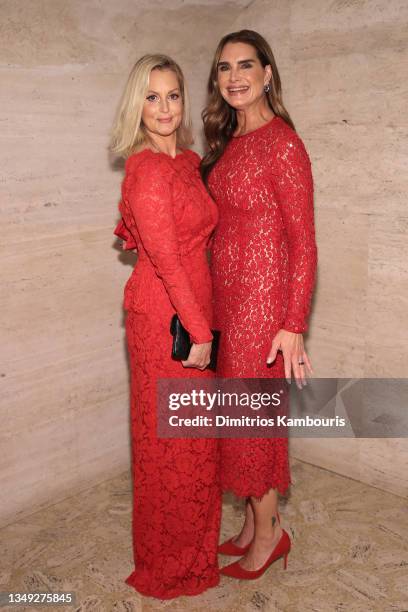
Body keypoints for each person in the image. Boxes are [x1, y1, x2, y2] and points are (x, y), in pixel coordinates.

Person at [201, 30, 318, 580]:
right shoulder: (229, 141)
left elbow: (304, 241)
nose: (234, 76)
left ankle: (270, 537)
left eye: (246, 65)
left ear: (268, 73)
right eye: (224, 68)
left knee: (251, 426)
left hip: (261, 307)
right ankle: (253, 523)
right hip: (228, 302)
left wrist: (293, 324)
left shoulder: (283, 143)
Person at [110, 54, 221, 599]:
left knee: (195, 442)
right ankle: (170, 562)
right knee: (170, 446)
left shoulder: (187, 161)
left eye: (173, 95)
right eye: (151, 97)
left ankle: (197, 553)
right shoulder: (147, 170)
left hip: (192, 310)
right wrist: (200, 332)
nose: (164, 108)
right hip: (165, 320)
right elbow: (167, 259)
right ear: (137, 105)